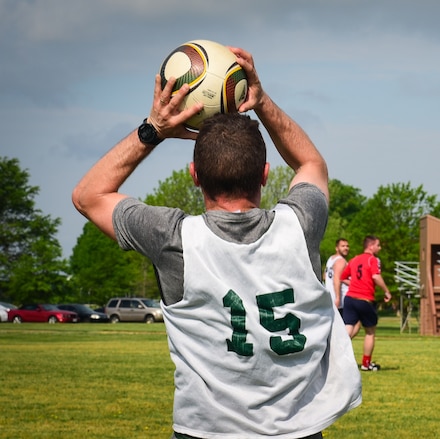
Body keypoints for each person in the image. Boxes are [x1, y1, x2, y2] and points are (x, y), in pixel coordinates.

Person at [72, 46, 361, 438]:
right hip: (298, 431)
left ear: (194, 175)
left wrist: (153, 129)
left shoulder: (174, 240)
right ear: (264, 174)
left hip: (205, 432)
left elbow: (88, 196)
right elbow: (311, 164)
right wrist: (261, 101)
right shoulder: (300, 225)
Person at [340, 235, 392, 371]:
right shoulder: (373, 260)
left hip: (350, 298)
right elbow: (376, 276)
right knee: (370, 332)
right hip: (364, 299)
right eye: (378, 245)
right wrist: (386, 291)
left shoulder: (354, 259)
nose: (379, 248)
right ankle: (366, 363)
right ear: (371, 246)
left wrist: (355, 284)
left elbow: (342, 277)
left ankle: (335, 358)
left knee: (348, 328)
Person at [324, 238, 350, 317]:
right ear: (337, 248)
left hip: (330, 297)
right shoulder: (341, 261)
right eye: (342, 246)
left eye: (347, 246)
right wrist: (338, 297)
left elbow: (325, 276)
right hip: (341, 299)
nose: (346, 248)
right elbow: (337, 279)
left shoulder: (331, 259)